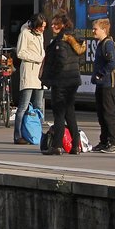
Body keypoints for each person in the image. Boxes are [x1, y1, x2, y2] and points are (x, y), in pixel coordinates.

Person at [41, 13, 86, 155]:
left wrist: (52, 75)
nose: (53, 26)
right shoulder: (76, 39)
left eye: (56, 24)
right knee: (69, 112)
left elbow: (61, 61)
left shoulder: (60, 42)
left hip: (62, 81)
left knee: (59, 113)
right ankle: (75, 145)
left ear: (64, 25)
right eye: (52, 23)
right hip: (73, 80)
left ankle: (57, 146)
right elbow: (81, 60)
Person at [14, 14, 46, 144]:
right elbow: (20, 52)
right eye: (41, 26)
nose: (43, 29)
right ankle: (18, 135)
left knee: (39, 105)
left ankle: (36, 132)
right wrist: (37, 58)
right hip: (29, 72)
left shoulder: (40, 35)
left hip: (39, 74)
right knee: (24, 106)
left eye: (44, 27)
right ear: (35, 25)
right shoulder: (25, 34)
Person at [89, 18, 115, 153]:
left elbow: (112, 63)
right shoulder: (101, 44)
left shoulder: (108, 44)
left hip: (108, 84)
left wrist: (100, 74)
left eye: (95, 29)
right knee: (101, 114)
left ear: (104, 30)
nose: (93, 31)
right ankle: (103, 141)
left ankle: (112, 142)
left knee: (108, 113)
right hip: (101, 84)